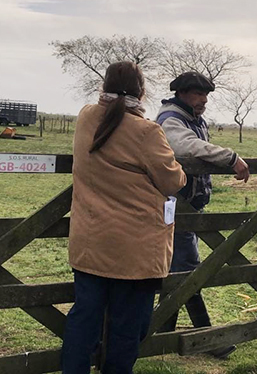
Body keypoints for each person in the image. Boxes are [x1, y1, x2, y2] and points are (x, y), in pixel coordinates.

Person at [62, 61, 187, 374]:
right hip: (134, 250)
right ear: (142, 92)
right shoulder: (147, 132)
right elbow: (173, 181)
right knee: (128, 328)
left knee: (84, 320)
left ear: (103, 86)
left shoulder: (85, 117)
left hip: (90, 243)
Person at [155, 71, 250, 359]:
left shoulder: (193, 118)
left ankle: (161, 334)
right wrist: (230, 158)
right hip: (175, 206)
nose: (204, 100)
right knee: (188, 269)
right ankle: (208, 338)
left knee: (178, 270)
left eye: (206, 95)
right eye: (198, 94)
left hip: (188, 207)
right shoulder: (171, 119)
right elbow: (187, 146)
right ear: (182, 93)